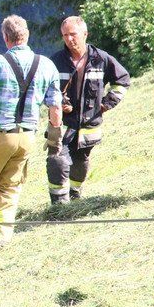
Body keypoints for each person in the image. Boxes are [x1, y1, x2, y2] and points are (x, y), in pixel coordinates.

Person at [0, 15, 62, 250]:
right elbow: (55, 107)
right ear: (27, 35)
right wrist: (54, 136)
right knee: (9, 189)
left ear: (5, 37)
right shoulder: (47, 64)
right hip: (27, 137)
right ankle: (0, 240)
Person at [47, 16, 131, 203]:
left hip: (89, 126)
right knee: (57, 160)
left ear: (85, 34)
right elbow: (44, 89)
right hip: (62, 124)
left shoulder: (101, 58)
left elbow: (123, 80)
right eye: (65, 35)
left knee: (80, 162)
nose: (69, 39)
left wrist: (107, 104)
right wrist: (59, 102)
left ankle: (75, 195)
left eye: (73, 34)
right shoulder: (55, 61)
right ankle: (58, 205)